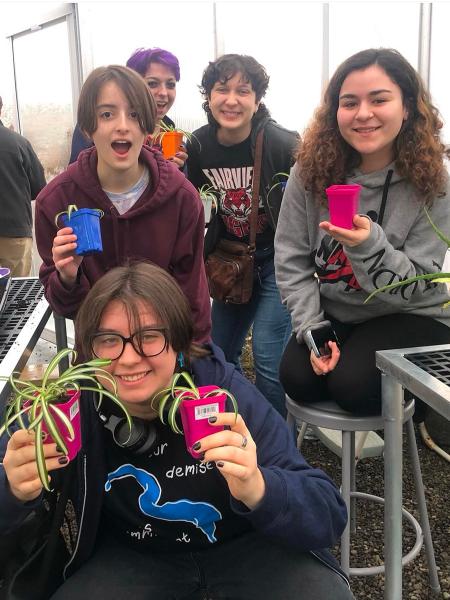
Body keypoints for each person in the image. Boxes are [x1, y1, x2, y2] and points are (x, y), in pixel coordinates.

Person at [0, 262, 353, 600]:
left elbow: (328, 514)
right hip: (133, 554)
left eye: (149, 336)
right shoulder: (71, 409)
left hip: (249, 547)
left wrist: (260, 487)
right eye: (108, 340)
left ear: (180, 343)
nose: (128, 358)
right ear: (88, 351)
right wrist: (14, 489)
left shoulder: (224, 393)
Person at [275, 48, 450, 418]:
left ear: (407, 107)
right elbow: (292, 259)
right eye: (349, 102)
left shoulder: (432, 182)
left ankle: (420, 416)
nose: (363, 113)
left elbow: (418, 285)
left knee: (353, 386)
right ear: (334, 111)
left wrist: (370, 246)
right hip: (340, 312)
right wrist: (313, 329)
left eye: (380, 99)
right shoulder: (309, 174)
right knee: (297, 377)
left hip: (412, 314)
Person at [35, 65, 211, 343]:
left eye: (135, 114)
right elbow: (64, 305)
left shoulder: (180, 198)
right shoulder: (56, 201)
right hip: (98, 355)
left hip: (162, 354)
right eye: (107, 114)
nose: (122, 125)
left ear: (149, 125)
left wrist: (192, 359)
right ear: (87, 126)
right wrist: (68, 278)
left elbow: (192, 293)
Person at [186, 54, 298, 416]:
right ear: (208, 96)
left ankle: (279, 449)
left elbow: (309, 201)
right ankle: (225, 431)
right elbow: (190, 200)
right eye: (222, 89)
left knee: (268, 359)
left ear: (257, 99)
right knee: (216, 350)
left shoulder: (282, 144)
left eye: (243, 91)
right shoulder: (198, 146)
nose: (231, 100)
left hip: (276, 264)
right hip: (231, 263)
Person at [69, 47, 186, 169]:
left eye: (170, 85)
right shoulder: (96, 123)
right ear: (131, 85)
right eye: (152, 83)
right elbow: (76, 178)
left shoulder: (173, 136)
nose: (163, 92)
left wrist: (178, 170)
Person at [0, 95, 46, 276]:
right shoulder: (18, 143)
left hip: (15, 231)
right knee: (13, 295)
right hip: (14, 233)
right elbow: (40, 188)